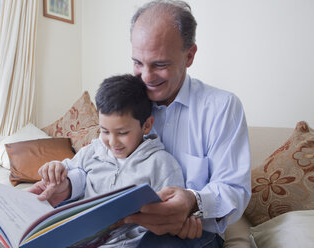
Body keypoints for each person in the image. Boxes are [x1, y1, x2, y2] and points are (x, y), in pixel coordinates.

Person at [30, 0, 251, 247]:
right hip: (121, 230)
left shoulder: (222, 108)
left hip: (190, 230)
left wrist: (192, 203)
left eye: (160, 64)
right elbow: (95, 161)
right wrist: (67, 184)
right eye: (137, 62)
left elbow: (234, 189)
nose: (146, 77)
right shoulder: (128, 102)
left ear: (189, 56)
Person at [31, 74, 185, 247]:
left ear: (147, 125)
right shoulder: (90, 151)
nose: (112, 142)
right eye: (104, 131)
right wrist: (56, 170)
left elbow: (173, 217)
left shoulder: (161, 164)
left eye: (122, 133)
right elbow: (69, 174)